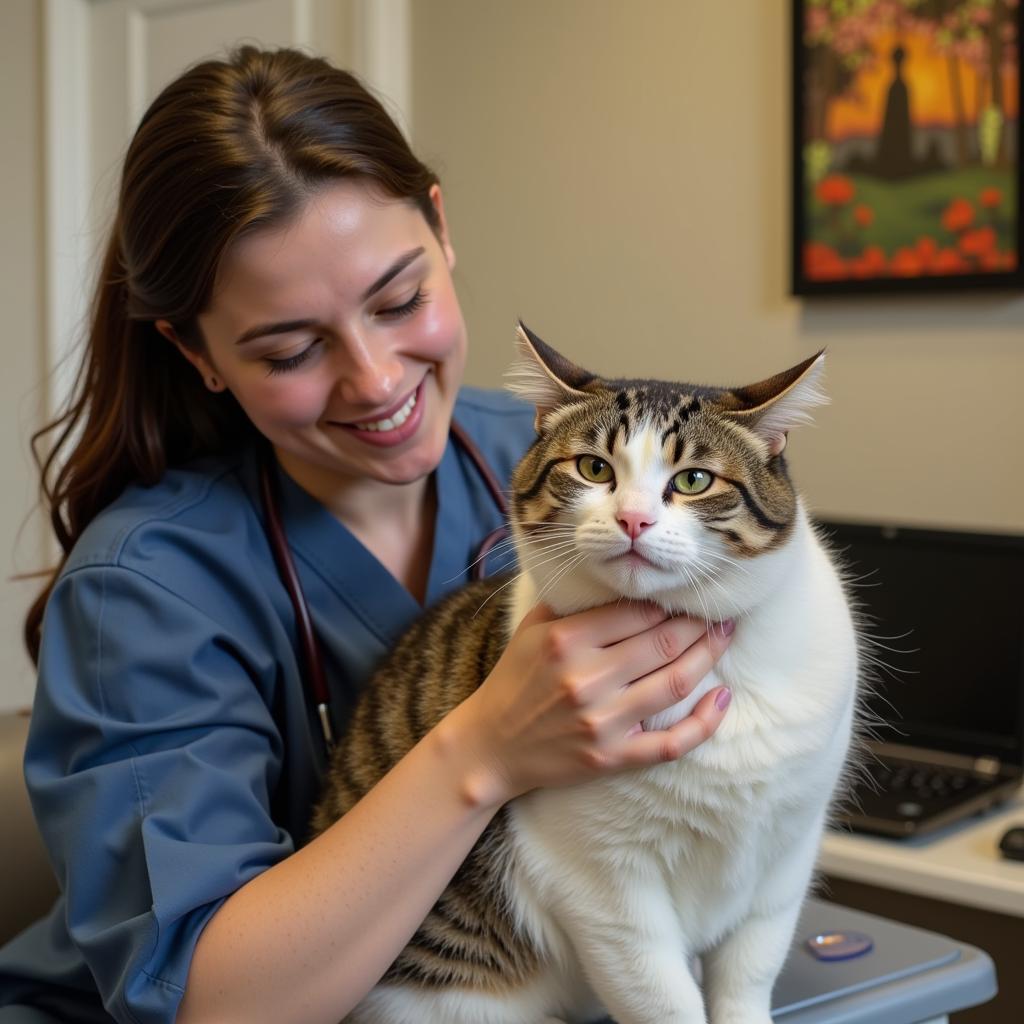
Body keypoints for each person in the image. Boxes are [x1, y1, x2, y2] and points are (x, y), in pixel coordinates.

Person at [0, 47, 734, 1024]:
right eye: (292, 349)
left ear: (440, 226)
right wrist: (483, 749)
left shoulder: (561, 467)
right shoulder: (146, 588)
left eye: (399, 301)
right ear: (195, 350)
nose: (378, 380)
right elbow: (215, 1003)